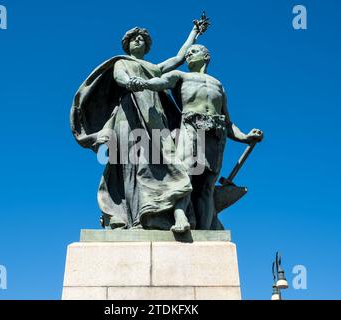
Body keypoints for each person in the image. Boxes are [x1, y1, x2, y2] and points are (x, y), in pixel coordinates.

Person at [70, 19, 209, 231]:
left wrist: (194, 33)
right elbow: (120, 78)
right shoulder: (121, 62)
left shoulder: (154, 68)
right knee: (127, 165)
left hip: (153, 116)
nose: (138, 40)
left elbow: (179, 58)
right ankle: (128, 219)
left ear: (146, 45)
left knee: (162, 160)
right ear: (127, 45)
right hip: (127, 116)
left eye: (142, 38)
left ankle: (158, 213)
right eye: (134, 38)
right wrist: (130, 83)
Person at [129, 44, 264, 231]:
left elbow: (228, 122)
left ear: (206, 56)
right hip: (191, 127)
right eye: (188, 52)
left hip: (216, 133)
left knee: (207, 186)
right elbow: (160, 82)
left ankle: (205, 229)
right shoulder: (181, 76)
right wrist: (142, 83)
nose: (189, 55)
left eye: (194, 52)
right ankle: (180, 218)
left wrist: (246, 137)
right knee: (186, 174)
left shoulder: (218, 84)